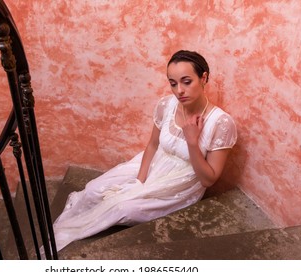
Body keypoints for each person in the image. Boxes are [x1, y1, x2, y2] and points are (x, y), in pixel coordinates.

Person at [50, 50, 237, 253]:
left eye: (186, 81)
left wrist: (192, 142)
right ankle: (56, 230)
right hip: (153, 164)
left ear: (204, 78)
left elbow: (208, 180)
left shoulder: (221, 123)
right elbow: (153, 145)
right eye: (173, 83)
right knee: (94, 188)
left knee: (120, 208)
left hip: (180, 184)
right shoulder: (167, 105)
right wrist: (139, 181)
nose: (179, 90)